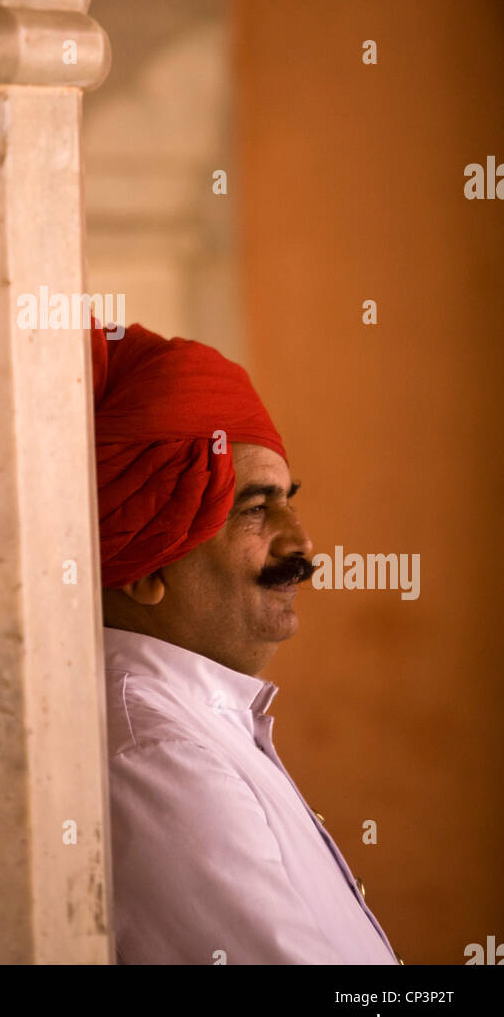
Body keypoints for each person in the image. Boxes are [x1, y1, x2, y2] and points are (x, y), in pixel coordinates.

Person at [92, 321, 400, 966]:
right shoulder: (158, 755)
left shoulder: (196, 728)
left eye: (287, 501)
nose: (302, 545)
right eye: (256, 508)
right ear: (148, 563)